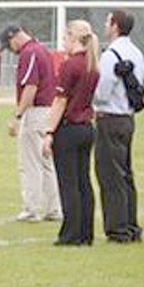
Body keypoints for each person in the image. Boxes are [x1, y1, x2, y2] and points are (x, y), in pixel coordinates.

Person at [42, 20, 100, 246]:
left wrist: (49, 131)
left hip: (69, 128)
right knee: (83, 181)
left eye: (65, 38)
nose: (63, 42)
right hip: (86, 127)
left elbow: (60, 101)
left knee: (69, 183)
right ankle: (85, 232)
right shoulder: (91, 64)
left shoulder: (70, 65)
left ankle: (70, 233)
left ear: (73, 38)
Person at [0, 25, 61, 223]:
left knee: (30, 163)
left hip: (35, 112)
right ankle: (53, 209)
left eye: (9, 46)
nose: (12, 51)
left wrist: (17, 116)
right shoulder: (41, 49)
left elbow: (30, 87)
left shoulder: (29, 53)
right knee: (46, 163)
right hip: (48, 111)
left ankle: (31, 209)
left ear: (14, 37)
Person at [93, 10, 144, 243]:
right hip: (127, 118)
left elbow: (102, 92)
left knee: (110, 175)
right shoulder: (136, 52)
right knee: (125, 174)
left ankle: (117, 229)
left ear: (115, 25)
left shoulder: (110, 54)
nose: (105, 25)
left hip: (110, 117)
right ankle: (130, 224)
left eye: (108, 21)